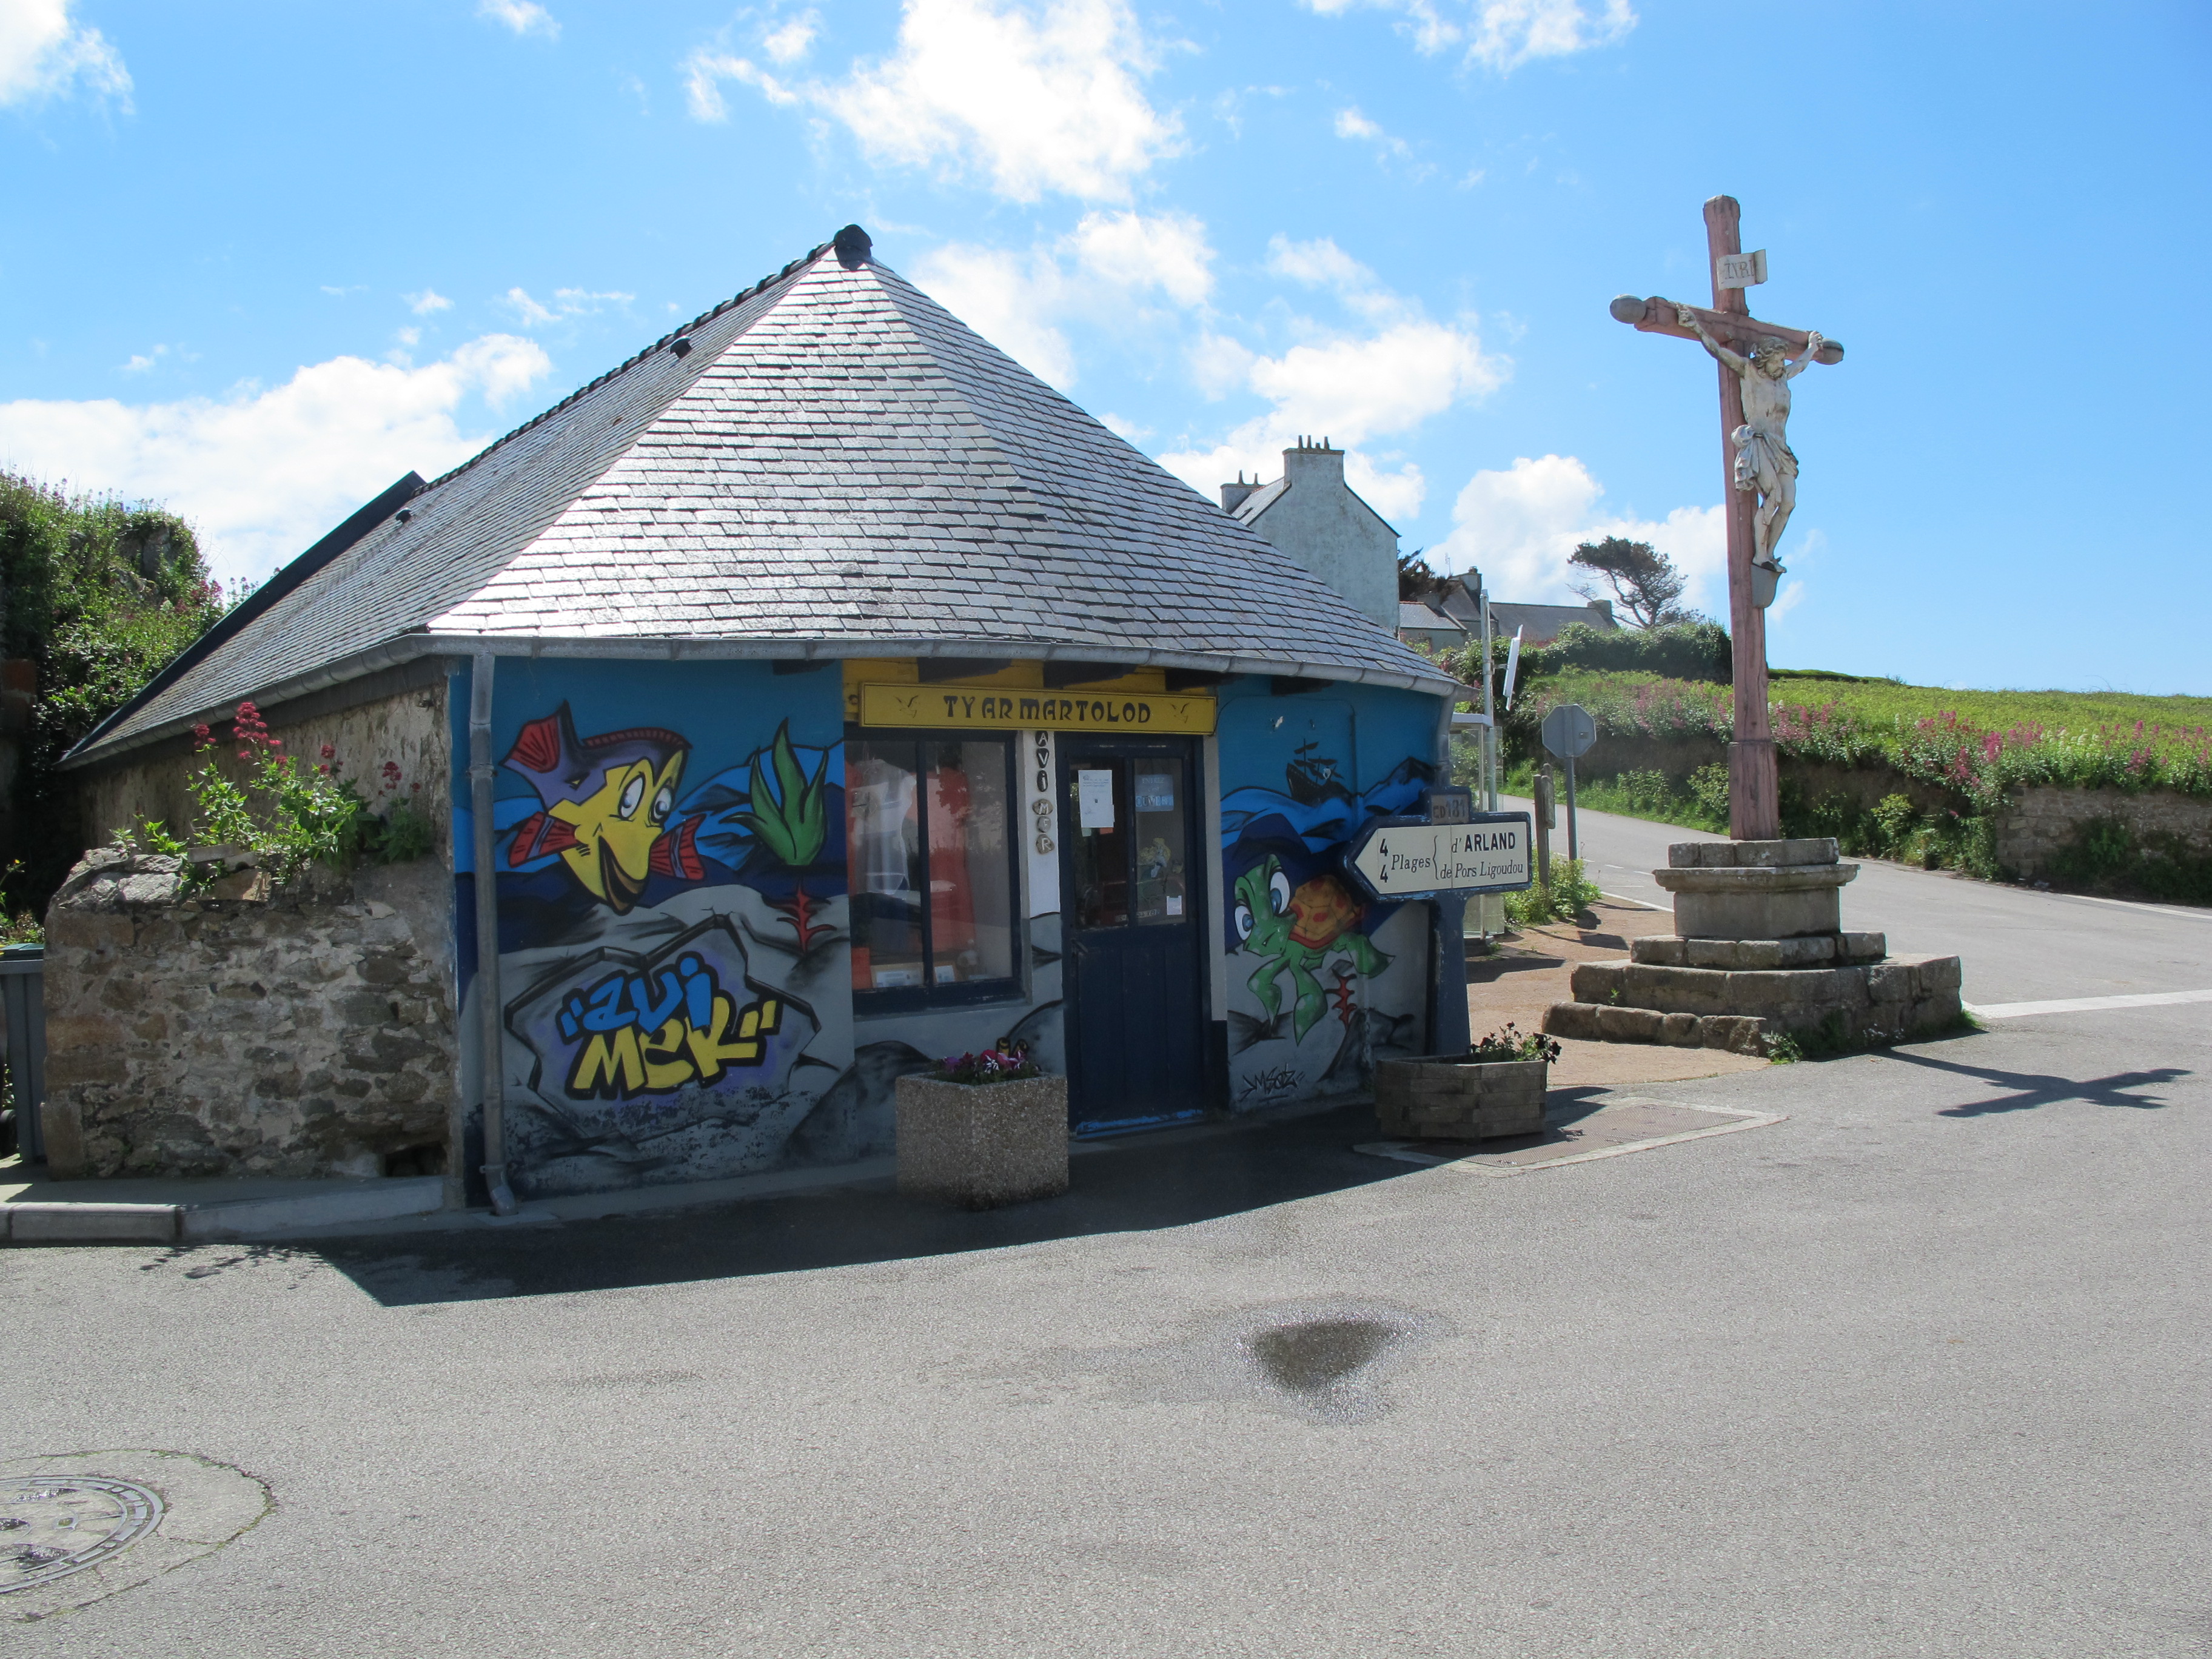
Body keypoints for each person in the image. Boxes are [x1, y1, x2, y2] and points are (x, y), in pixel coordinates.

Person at [1677, 303, 1827, 576]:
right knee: (1773, 496)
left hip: (1781, 448)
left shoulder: (1783, 377)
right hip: (1759, 443)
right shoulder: (1749, 371)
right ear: (1765, 359)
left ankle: (1770, 552)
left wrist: (1812, 347)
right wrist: (1696, 327)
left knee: (1789, 503)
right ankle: (1760, 555)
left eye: (1782, 360)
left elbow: (1802, 364)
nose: (1781, 365)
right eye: (1777, 360)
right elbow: (1718, 351)